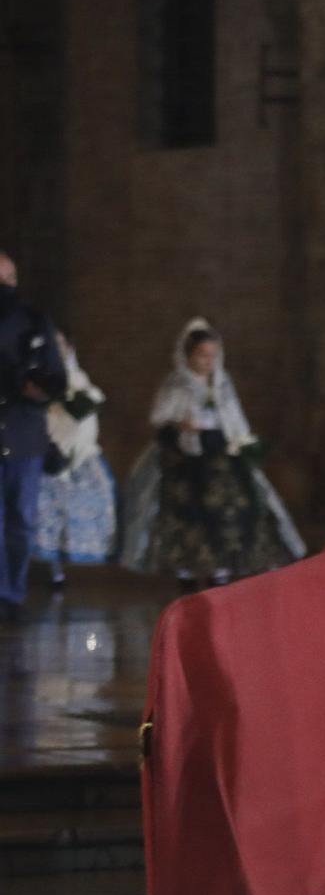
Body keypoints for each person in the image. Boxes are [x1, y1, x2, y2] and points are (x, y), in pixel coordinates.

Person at [121, 319, 303, 588]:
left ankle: (222, 567)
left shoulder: (222, 383)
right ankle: (189, 570)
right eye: (202, 355)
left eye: (212, 355)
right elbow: (160, 416)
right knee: (188, 510)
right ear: (188, 355)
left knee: (233, 508)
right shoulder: (177, 383)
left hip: (220, 451)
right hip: (185, 455)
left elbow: (234, 418)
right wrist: (181, 424)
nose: (208, 361)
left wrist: (242, 444)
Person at [0, 251, 66, 619]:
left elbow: (56, 378)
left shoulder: (32, 320)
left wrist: (35, 385)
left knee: (21, 519)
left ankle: (10, 594)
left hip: (23, 435)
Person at [31, 333, 118, 586]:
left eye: (60, 345)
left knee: (71, 510)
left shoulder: (78, 380)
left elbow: (86, 423)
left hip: (74, 455)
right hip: (43, 449)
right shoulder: (36, 376)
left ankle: (58, 569)